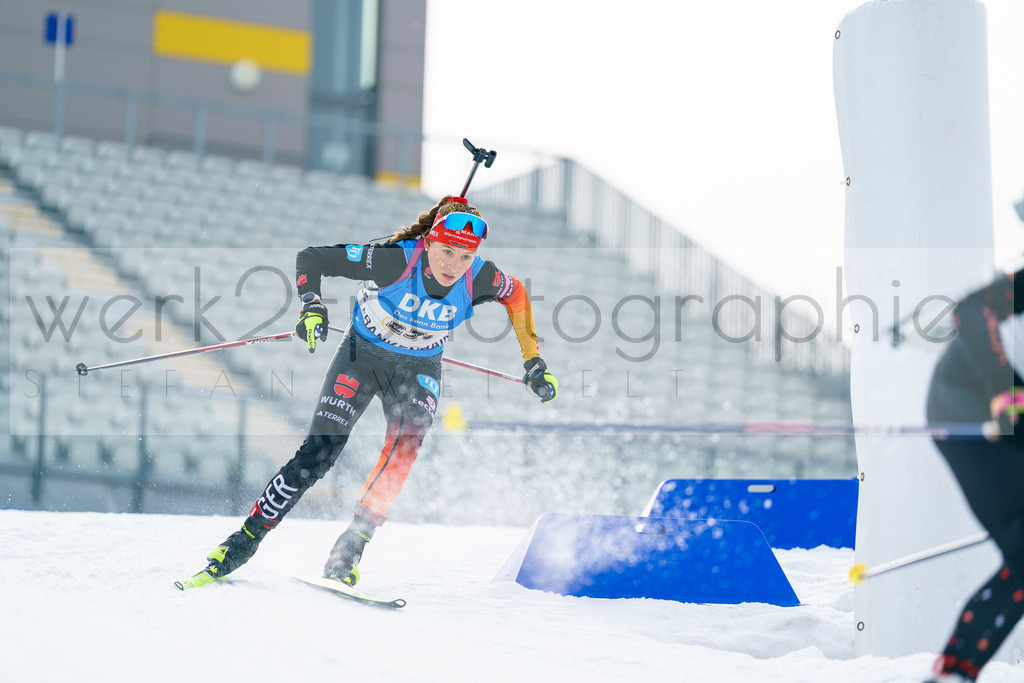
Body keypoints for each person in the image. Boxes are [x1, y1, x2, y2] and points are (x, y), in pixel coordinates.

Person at [193, 195, 558, 587]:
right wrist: (312, 306)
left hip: (418, 369)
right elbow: (312, 258)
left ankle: (348, 552)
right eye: (447, 252)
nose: (454, 266)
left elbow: (517, 296)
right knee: (319, 454)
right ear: (429, 243)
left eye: (466, 257)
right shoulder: (393, 261)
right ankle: (243, 541)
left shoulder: (482, 277)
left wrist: (533, 361)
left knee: (405, 447)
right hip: (361, 358)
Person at [924, 268, 1024, 682]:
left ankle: (955, 670)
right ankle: (955, 669)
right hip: (964, 416)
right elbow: (970, 309)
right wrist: (1007, 395)